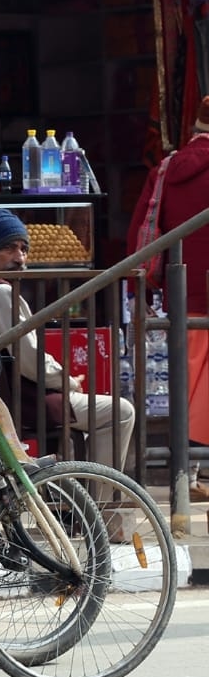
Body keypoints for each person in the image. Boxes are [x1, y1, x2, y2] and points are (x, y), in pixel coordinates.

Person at [0, 209, 137, 479]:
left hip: (6, 394)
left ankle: (78, 503)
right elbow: (29, 360)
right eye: (9, 249)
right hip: (21, 400)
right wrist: (67, 380)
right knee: (121, 412)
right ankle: (99, 508)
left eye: (23, 249)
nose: (19, 257)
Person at [127, 96, 209, 500]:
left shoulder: (166, 168)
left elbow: (143, 226)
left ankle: (187, 474)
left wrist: (137, 285)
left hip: (181, 293)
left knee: (187, 385)